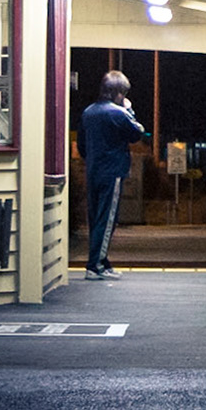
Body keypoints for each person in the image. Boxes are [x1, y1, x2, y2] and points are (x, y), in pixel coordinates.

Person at [81, 70, 147, 280]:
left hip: (93, 170)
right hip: (112, 171)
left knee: (96, 218)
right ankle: (96, 265)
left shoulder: (88, 112)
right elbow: (137, 133)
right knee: (108, 218)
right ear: (119, 93)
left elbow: (82, 146)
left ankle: (101, 261)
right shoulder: (117, 113)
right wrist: (130, 110)